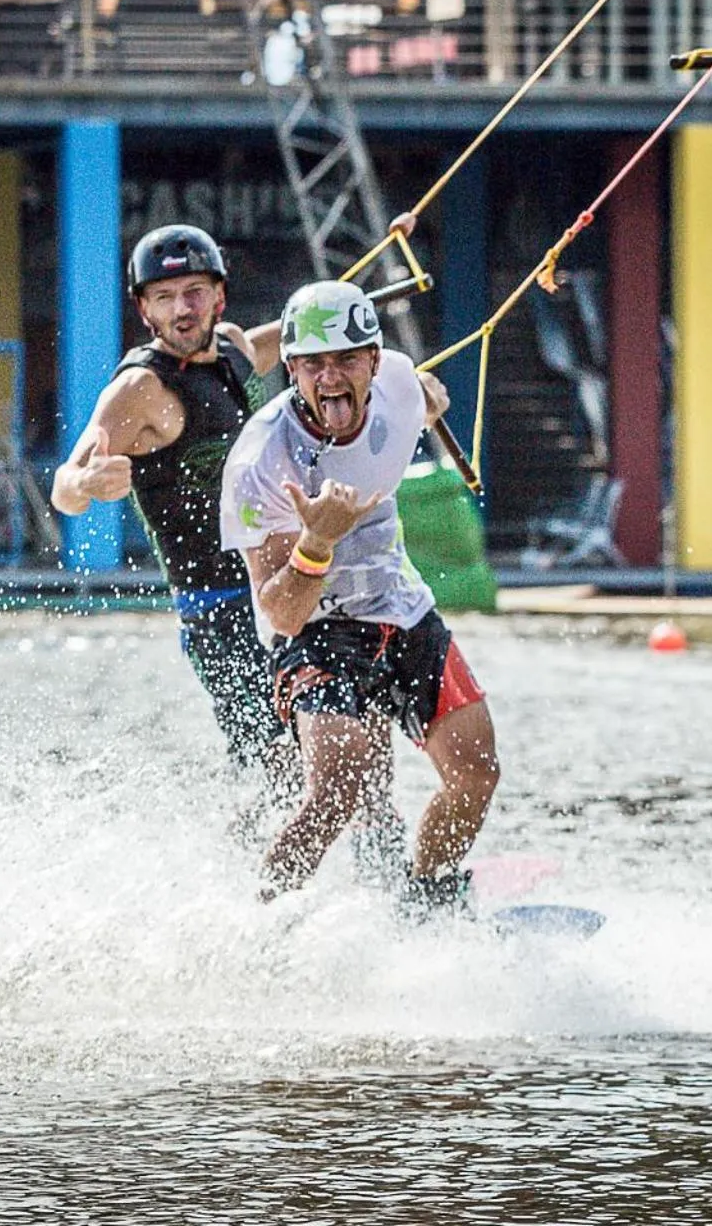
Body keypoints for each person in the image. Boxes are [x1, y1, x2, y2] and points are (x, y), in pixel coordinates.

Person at [49, 226, 408, 866]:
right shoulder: (140, 389)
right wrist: (88, 483)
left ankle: (391, 883)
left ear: (219, 296)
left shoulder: (235, 350)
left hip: (283, 592)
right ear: (144, 309)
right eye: (164, 298)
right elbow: (63, 489)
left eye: (194, 292)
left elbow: (304, 336)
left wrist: (379, 270)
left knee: (363, 739)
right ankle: (232, 881)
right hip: (219, 614)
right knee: (284, 770)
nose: (182, 310)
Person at [220, 280, 500, 916]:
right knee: (337, 789)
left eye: (347, 359)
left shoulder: (398, 382)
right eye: (313, 365)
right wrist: (316, 543)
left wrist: (429, 400)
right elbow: (280, 612)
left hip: (401, 610)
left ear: (374, 359)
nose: (330, 379)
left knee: (476, 770)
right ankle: (259, 923)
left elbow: (419, 395)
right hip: (316, 632)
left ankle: (425, 899)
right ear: (291, 370)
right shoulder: (261, 462)